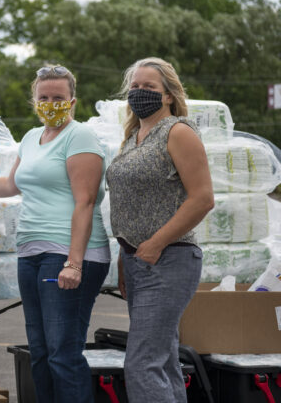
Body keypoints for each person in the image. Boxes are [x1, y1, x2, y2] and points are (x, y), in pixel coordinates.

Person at [0, 64, 110, 403]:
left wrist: (74, 263)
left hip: (67, 254)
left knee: (63, 352)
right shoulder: (32, 138)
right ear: (34, 100)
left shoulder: (80, 137)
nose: (51, 103)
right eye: (44, 97)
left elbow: (86, 200)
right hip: (31, 254)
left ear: (73, 101)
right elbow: (10, 184)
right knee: (40, 350)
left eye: (59, 97)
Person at [106, 57, 213, 402]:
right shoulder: (133, 137)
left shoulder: (178, 132)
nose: (139, 93)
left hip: (169, 259)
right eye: (134, 87)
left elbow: (202, 199)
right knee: (163, 361)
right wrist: (127, 254)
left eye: (149, 87)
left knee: (141, 363)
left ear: (168, 95)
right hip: (138, 260)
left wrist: (154, 244)